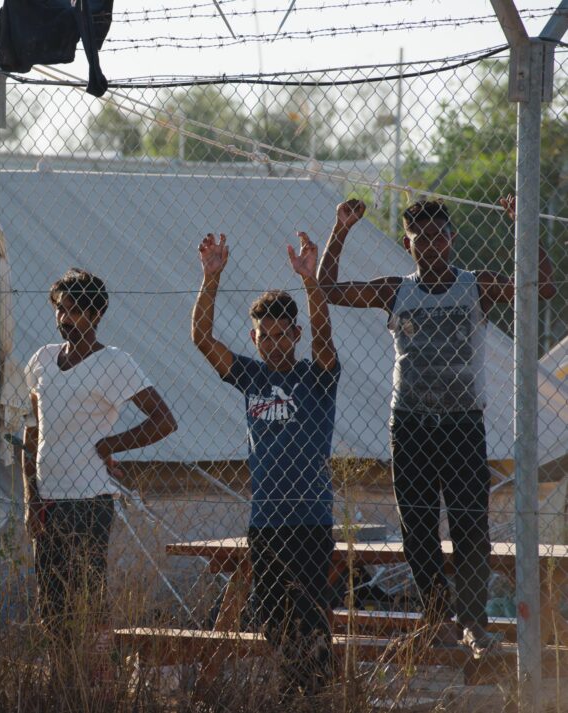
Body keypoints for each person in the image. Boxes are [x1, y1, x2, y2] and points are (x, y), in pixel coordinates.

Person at [315, 197, 555, 657]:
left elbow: (543, 287)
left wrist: (521, 226)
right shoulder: (395, 290)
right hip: (410, 425)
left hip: (464, 423)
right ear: (408, 243)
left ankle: (473, 623)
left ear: (451, 238)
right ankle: (435, 618)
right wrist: (340, 228)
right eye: (420, 237)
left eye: (438, 235)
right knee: (418, 527)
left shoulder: (475, 286)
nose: (430, 244)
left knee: (471, 528)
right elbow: (327, 289)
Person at [190, 228, 339, 695]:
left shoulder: (317, 378)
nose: (273, 343)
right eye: (264, 336)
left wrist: (311, 283)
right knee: (272, 618)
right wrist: (211, 277)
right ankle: (300, 688)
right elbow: (201, 337)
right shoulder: (250, 377)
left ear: (295, 333)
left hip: (310, 521)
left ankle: (317, 693)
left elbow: (326, 338)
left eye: (282, 334)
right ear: (253, 338)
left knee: (312, 619)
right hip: (268, 521)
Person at [23, 268, 177, 673]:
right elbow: (32, 428)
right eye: (60, 310)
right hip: (49, 501)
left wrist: (111, 444)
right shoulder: (42, 359)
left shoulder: (114, 363)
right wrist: (30, 497)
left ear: (96, 314)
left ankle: (98, 684)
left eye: (74, 311)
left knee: (88, 602)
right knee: (51, 606)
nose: (64, 319)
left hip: (89, 502)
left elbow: (163, 420)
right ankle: (65, 683)